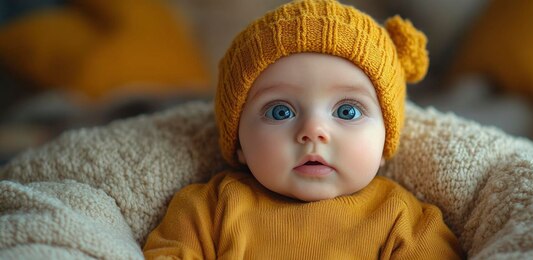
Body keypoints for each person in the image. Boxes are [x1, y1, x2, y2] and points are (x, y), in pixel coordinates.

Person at [143, 0, 463, 258]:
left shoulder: (401, 218)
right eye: (280, 111)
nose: (313, 131)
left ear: (385, 141)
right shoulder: (209, 208)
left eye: (347, 111)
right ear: (238, 141)